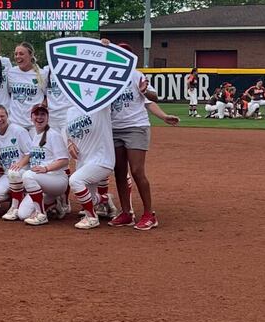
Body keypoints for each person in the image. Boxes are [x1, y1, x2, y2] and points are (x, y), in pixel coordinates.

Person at [107, 42, 179, 231]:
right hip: (114, 128)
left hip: (135, 127)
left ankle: (149, 214)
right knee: (120, 172)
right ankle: (126, 212)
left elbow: (151, 98)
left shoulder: (136, 75)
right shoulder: (107, 76)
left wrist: (163, 116)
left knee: (137, 171)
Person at [7, 103, 70, 226]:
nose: (39, 117)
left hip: (56, 180)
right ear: (31, 117)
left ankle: (41, 215)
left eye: (43, 114)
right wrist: (20, 164)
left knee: (28, 175)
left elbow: (64, 160)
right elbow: (32, 155)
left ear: (48, 117)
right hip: (43, 182)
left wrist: (46, 168)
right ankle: (53, 203)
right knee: (23, 214)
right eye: (36, 114)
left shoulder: (54, 135)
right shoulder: (36, 135)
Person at [65, 105, 116, 230]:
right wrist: (69, 142)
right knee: (89, 199)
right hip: (83, 161)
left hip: (102, 159)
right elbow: (65, 130)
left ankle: (92, 217)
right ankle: (105, 198)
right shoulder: (70, 111)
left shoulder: (100, 106)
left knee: (75, 180)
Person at [0, 105, 33, 221]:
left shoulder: (18, 131)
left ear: (7, 116)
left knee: (14, 173)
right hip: (8, 173)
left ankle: (15, 206)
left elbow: (30, 153)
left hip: (25, 170)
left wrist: (20, 164)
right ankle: (21, 196)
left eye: (2, 116)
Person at [7, 42, 45, 129]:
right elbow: (9, 93)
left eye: (21, 54)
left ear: (31, 55)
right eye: (16, 54)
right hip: (15, 123)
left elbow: (47, 95)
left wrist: (41, 109)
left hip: (34, 125)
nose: (17, 56)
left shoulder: (42, 74)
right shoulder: (11, 72)